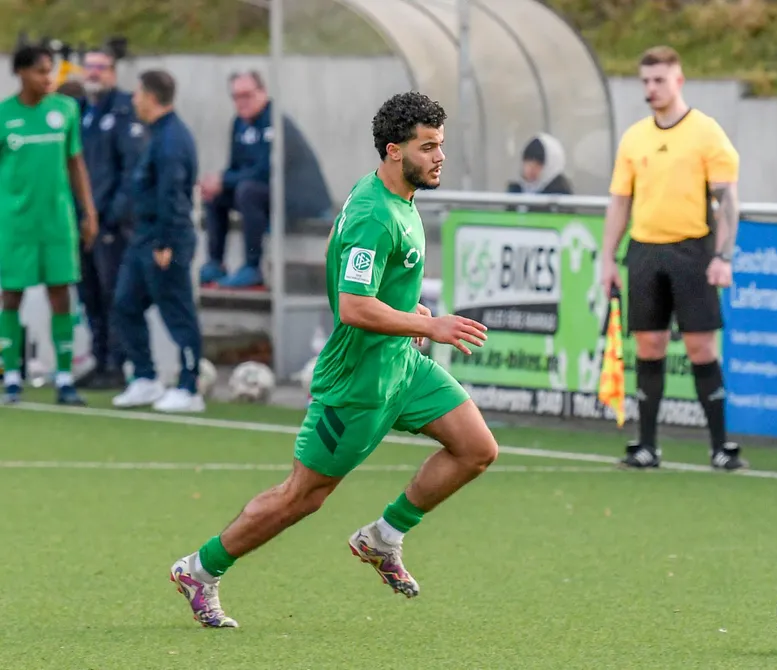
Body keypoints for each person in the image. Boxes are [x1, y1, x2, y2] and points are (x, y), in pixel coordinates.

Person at [169, 91, 498, 628]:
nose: (440, 157)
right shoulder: (374, 212)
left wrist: (405, 307)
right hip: (357, 382)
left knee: (476, 449)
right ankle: (199, 570)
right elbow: (351, 306)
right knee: (302, 496)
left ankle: (383, 537)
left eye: (442, 145)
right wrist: (427, 323)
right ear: (395, 150)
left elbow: (351, 264)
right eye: (429, 147)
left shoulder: (394, 196)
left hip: (402, 368)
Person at [601, 45, 746, 471]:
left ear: (678, 81)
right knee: (648, 343)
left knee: (701, 346)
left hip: (692, 251)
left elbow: (728, 201)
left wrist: (723, 256)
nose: (651, 89)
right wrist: (608, 258)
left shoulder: (706, 133)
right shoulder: (634, 137)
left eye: (659, 80)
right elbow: (619, 202)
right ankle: (646, 446)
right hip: (644, 252)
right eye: (645, 81)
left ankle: (721, 447)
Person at [0, 44, 98, 405]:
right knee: (11, 294)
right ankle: (10, 377)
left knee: (61, 293)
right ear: (21, 73)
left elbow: (76, 164)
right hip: (14, 221)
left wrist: (89, 211)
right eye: (41, 71)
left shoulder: (65, 110)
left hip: (57, 221)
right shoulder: (3, 115)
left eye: (51, 70)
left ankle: (64, 378)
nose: (48, 78)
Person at [111, 70, 204, 413]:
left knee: (177, 312)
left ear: (150, 97)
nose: (133, 100)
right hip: (144, 236)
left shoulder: (172, 140)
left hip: (166, 237)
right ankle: (146, 378)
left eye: (137, 94)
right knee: (125, 303)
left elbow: (173, 194)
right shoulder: (156, 134)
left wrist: (166, 242)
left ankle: (190, 387)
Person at [198, 71, 332, 289]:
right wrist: (218, 182)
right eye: (236, 97)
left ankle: (252, 267)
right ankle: (215, 262)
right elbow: (236, 168)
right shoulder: (239, 125)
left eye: (247, 95)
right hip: (265, 195)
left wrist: (224, 179)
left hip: (300, 199)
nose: (242, 102)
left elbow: (266, 170)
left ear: (263, 92)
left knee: (246, 191)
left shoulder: (277, 123)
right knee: (217, 194)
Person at [76, 48, 146, 390]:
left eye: (100, 68)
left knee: (112, 293)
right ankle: (99, 358)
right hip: (80, 222)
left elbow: (131, 171)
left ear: (113, 73)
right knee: (88, 294)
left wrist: (111, 218)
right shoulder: (79, 110)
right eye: (88, 67)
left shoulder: (123, 111)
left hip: (109, 225)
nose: (93, 73)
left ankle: (118, 363)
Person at [507, 132, 573, 197]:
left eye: (539, 164)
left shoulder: (560, 198)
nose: (531, 168)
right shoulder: (514, 193)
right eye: (528, 161)